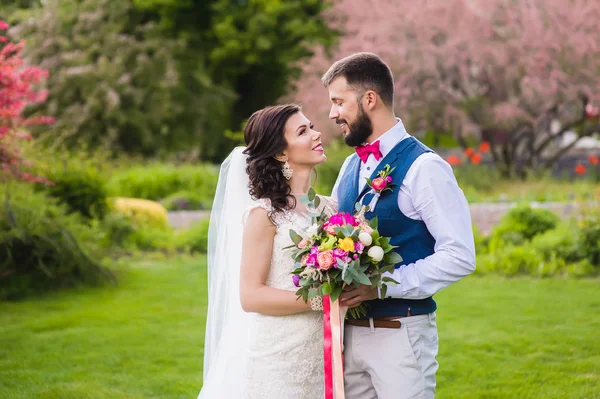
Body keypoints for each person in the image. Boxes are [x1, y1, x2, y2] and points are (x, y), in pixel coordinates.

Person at [327, 52, 476, 399]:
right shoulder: (349, 166)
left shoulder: (425, 168)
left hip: (400, 335)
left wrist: (382, 286)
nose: (333, 114)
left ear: (369, 99)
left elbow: (459, 255)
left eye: (338, 102)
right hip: (348, 335)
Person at [197, 104, 336, 398]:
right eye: (303, 131)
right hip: (280, 356)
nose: (316, 133)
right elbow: (251, 296)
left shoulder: (331, 208)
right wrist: (322, 301)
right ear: (281, 153)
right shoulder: (264, 215)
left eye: (311, 126)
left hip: (326, 350)